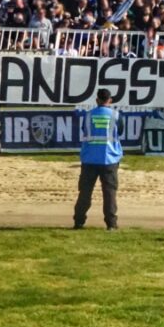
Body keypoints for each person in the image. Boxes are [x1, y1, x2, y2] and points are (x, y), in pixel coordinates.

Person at [73, 90, 123, 230]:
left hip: (89, 159)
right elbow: (119, 132)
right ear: (110, 100)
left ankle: (78, 221)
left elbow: (85, 131)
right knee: (109, 193)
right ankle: (111, 224)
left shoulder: (88, 115)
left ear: (97, 100)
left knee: (85, 192)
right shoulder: (116, 115)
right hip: (109, 158)